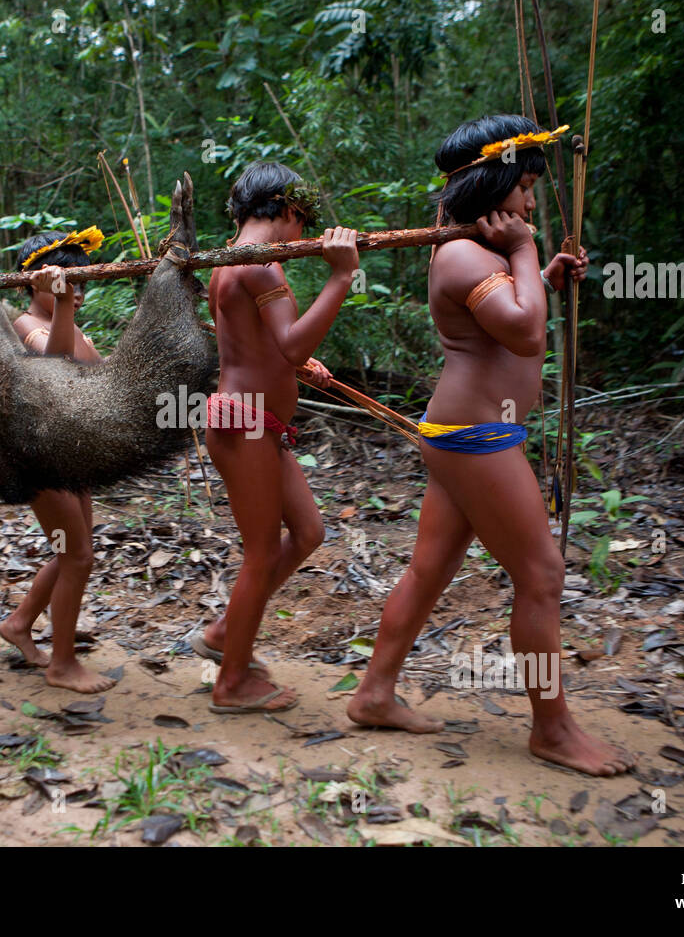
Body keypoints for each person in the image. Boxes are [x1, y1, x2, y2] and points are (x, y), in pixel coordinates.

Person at [347, 115, 632, 777]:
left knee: (429, 572)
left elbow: (512, 316)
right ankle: (553, 731)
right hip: (476, 440)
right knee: (541, 576)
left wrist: (546, 274)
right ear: (493, 186)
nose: (530, 205)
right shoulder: (464, 254)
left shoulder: (478, 254)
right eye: (525, 188)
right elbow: (525, 334)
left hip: (466, 435)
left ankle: (373, 693)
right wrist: (530, 253)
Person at [198, 161, 359, 713]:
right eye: (303, 221)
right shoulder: (262, 264)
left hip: (252, 422)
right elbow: (288, 344)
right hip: (244, 423)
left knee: (309, 531)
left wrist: (298, 362)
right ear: (287, 210)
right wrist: (340, 276)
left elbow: (263, 346)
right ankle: (232, 682)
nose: (305, 236)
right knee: (263, 554)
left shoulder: (229, 260)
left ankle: (225, 635)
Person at [0, 228, 117, 694]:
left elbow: (97, 378)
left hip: (73, 455)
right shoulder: (26, 326)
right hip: (41, 457)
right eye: (68, 282)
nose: (77, 292)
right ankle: (62, 664)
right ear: (33, 283)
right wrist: (61, 302)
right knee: (77, 556)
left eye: (81, 283)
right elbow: (56, 366)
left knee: (73, 549)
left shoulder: (70, 322)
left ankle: (21, 623)